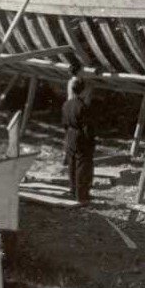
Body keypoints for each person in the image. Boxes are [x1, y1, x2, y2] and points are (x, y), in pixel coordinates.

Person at [61, 56, 96, 206]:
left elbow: (64, 123)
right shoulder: (83, 106)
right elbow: (87, 126)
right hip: (80, 135)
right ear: (83, 91)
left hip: (70, 134)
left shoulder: (66, 104)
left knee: (72, 164)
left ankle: (73, 191)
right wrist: (91, 142)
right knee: (83, 166)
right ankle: (82, 197)